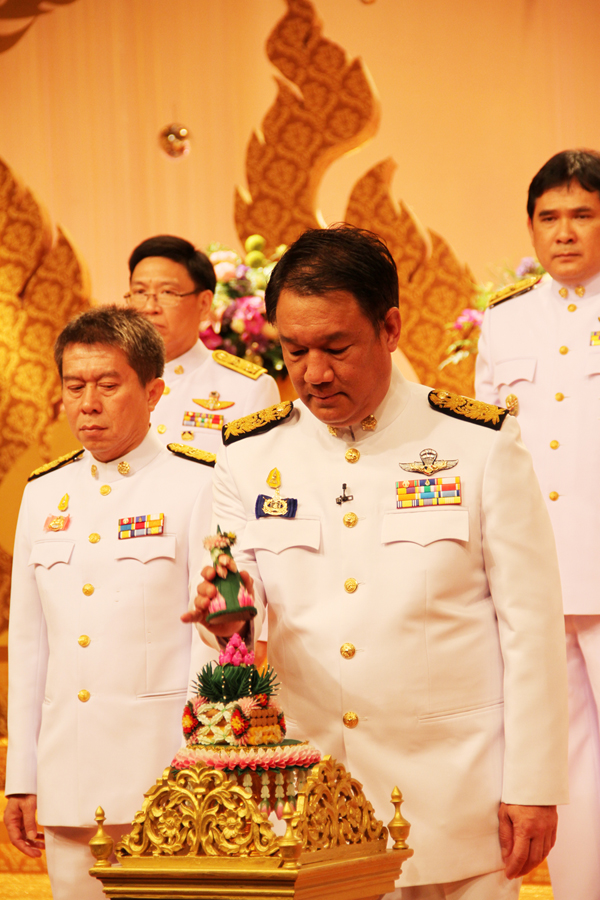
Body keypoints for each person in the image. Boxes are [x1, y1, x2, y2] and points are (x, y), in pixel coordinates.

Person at [186, 224, 569, 900]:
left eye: (336, 347)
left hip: (457, 800)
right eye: (295, 350)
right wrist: (228, 619)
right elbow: (240, 613)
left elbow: (531, 628)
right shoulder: (248, 458)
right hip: (310, 803)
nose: (314, 373)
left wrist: (534, 785)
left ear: (389, 328)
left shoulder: (478, 445)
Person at [4, 307, 215, 900]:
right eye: (75, 386)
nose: (88, 404)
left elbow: (214, 641)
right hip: (68, 776)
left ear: (153, 392)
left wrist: (203, 765)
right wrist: (22, 775)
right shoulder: (43, 493)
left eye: (107, 385)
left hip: (166, 775)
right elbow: (29, 645)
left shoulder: (197, 484)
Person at [475, 148, 600, 900]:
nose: (564, 232)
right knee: (565, 758)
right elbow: (490, 448)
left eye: (583, 215)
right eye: (549, 217)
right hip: (538, 576)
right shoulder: (505, 321)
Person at [126, 235, 280, 452]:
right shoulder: (109, 381)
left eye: (167, 292)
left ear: (204, 304)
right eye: (140, 292)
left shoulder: (249, 388)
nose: (150, 307)